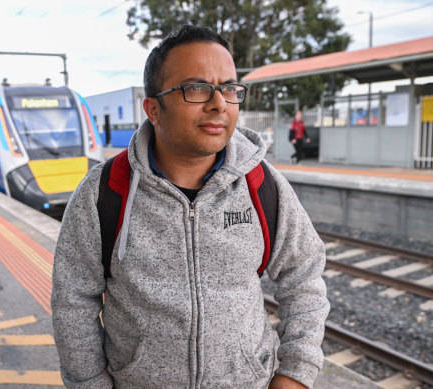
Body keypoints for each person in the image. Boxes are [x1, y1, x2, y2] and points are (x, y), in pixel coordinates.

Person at [51, 25, 329, 389]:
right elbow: (73, 299)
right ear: (154, 108)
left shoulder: (262, 185)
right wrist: (90, 383)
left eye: (230, 89)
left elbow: (303, 275)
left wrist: (296, 373)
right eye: (196, 88)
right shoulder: (104, 192)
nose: (219, 104)